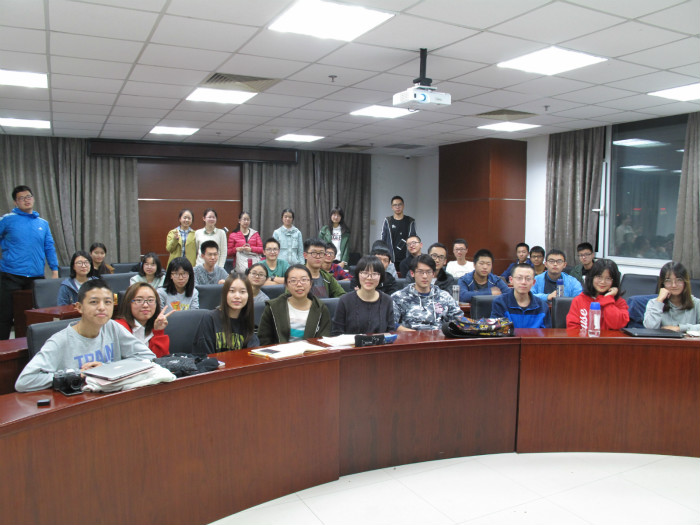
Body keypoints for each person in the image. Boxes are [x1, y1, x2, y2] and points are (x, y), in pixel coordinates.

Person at [15, 279, 155, 392]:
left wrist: (107, 368)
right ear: (79, 307)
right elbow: (25, 381)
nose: (102, 307)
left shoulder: (112, 327)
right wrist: (77, 375)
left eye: (107, 302)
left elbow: (147, 356)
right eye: (94, 302)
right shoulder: (60, 341)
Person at [0, 185, 60, 340]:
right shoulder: (7, 220)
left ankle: (30, 348)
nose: (26, 200)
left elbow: (49, 247)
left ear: (33, 198)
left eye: (28, 196)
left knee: (33, 317)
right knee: (5, 316)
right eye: (21, 198)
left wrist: (54, 270)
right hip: (10, 275)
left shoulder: (42, 223)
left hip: (35, 277)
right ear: (15, 202)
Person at [257, 264, 331, 345]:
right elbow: (264, 339)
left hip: (312, 351)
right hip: (280, 352)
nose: (299, 284)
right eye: (293, 280)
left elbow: (324, 338)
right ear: (286, 285)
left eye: (304, 280)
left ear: (310, 283)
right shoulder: (273, 307)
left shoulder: (320, 308)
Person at [193, 273, 260, 355]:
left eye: (242, 292)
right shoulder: (209, 319)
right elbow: (203, 357)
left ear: (249, 296)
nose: (237, 296)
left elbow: (253, 355)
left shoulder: (247, 322)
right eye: (232, 291)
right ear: (225, 294)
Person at [392, 254, 463, 331]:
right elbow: (391, 323)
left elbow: (459, 320)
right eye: (420, 272)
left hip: (439, 336)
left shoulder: (444, 296)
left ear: (433, 274)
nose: (425, 276)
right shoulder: (398, 297)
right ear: (412, 273)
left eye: (428, 272)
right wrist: (415, 334)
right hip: (411, 336)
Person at [332, 255, 394, 335]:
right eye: (365, 273)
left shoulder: (387, 300)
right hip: (351, 343)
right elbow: (337, 332)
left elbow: (390, 332)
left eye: (374, 274)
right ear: (358, 274)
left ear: (380, 276)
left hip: (380, 343)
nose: (369, 278)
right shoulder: (345, 300)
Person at [566, 259, 629, 331]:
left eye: (608, 278)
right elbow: (572, 328)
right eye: (599, 277)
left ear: (614, 281)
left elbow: (617, 325)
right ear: (592, 277)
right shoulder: (579, 300)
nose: (602, 282)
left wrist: (607, 299)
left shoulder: (619, 302)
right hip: (583, 338)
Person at [115, 282, 171, 357]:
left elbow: (161, 359)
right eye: (139, 300)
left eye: (150, 300)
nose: (145, 305)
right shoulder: (119, 327)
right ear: (128, 303)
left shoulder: (155, 325)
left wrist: (158, 332)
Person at [644, 261, 700, 333]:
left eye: (679, 280)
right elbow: (649, 328)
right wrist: (659, 301)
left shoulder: (697, 303)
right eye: (668, 281)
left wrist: (680, 328)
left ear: (685, 282)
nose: (674, 285)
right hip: (664, 340)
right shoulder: (653, 303)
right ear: (663, 283)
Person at [491, 263, 550, 328]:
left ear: (533, 282)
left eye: (528, 279)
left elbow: (547, 332)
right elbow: (496, 330)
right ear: (511, 280)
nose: (523, 282)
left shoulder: (542, 306)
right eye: (519, 278)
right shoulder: (500, 303)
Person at [381, 195, 416, 270]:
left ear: (403, 206)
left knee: (406, 276)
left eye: (400, 204)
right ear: (392, 207)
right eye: (395, 205)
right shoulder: (388, 221)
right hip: (391, 258)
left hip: (406, 257)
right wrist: (384, 255)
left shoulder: (410, 221)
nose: (397, 207)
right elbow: (383, 238)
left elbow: (413, 238)